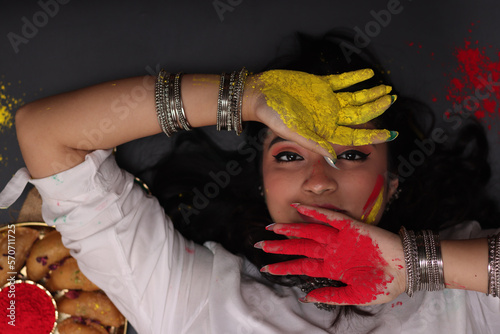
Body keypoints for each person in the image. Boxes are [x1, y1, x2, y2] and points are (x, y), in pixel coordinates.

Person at [1, 33, 499, 333]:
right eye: (288, 154)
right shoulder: (194, 299)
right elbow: (49, 135)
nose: (319, 181)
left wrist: (418, 265)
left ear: (392, 186)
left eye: (349, 154)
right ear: (262, 184)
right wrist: (246, 97)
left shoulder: (463, 293)